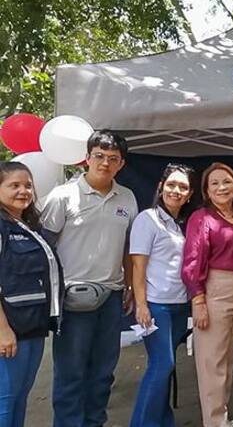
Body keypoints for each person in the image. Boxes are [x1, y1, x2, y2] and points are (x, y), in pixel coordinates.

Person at [41, 130, 138, 427]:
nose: (105, 163)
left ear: (121, 164)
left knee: (103, 372)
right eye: (99, 156)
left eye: (113, 158)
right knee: (71, 372)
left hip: (111, 295)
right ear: (87, 158)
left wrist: (130, 284)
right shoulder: (63, 195)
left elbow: (128, 246)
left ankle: (95, 423)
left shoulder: (128, 197)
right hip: (72, 298)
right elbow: (45, 247)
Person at [182, 162, 233, 427]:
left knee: (227, 359)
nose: (221, 187)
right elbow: (192, 261)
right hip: (214, 289)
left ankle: (221, 417)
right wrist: (198, 299)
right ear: (206, 191)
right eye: (214, 183)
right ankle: (214, 423)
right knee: (211, 362)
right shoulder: (201, 218)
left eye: (226, 182)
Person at [130, 163, 198, 427]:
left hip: (179, 305)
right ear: (161, 187)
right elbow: (138, 266)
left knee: (165, 368)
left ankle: (163, 421)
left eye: (183, 187)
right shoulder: (147, 219)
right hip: (156, 306)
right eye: (171, 184)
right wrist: (141, 304)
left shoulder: (181, 225)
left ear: (189, 194)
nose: (176, 190)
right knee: (162, 365)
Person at [0, 162, 63, 427]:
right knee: (5, 400)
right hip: (10, 330)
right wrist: (3, 330)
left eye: (27, 185)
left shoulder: (28, 226)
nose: (23, 191)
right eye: (14, 185)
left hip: (31, 326)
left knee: (20, 396)